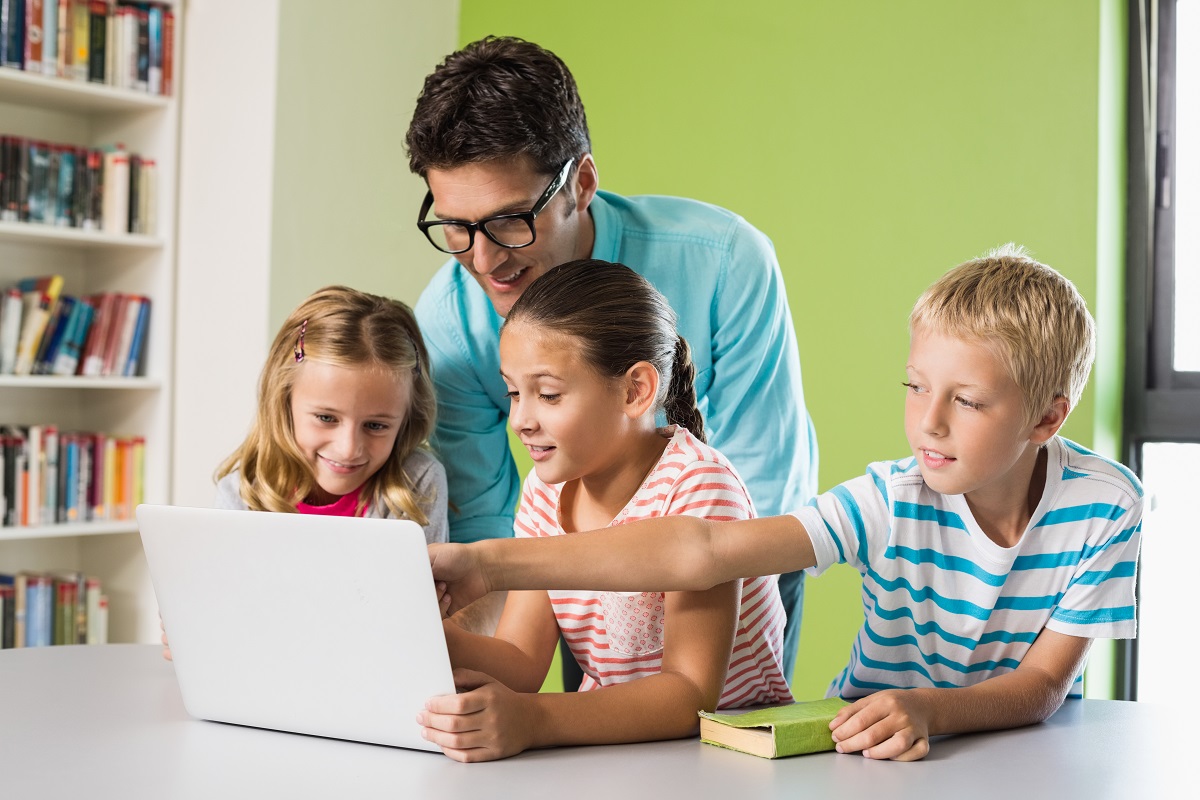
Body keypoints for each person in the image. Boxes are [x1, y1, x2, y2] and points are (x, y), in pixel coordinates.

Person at [428, 245, 1144, 762]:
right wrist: (482, 569)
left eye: (968, 400)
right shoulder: (888, 497)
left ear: (1048, 419)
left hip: (1006, 754)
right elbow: (700, 550)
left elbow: (1044, 686)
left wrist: (933, 708)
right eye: (915, 387)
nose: (928, 422)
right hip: (860, 744)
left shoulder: (1107, 508)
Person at [407, 35, 817, 686]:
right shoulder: (449, 322)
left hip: (734, 570)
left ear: (583, 183)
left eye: (512, 221)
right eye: (455, 228)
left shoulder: (727, 264)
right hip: (563, 574)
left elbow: (759, 510)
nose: (484, 261)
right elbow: (492, 539)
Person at [417, 260, 792, 762]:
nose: (520, 420)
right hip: (611, 754)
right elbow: (521, 661)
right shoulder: (544, 492)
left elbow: (688, 695)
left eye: (548, 394)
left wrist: (534, 718)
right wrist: (413, 628)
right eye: (513, 392)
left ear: (635, 390)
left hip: (726, 757)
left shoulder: (700, 485)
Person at [162, 285, 449, 660]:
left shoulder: (417, 483)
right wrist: (196, 632)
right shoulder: (245, 489)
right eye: (326, 418)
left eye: (376, 426)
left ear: (406, 419)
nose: (348, 448)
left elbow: (417, 630)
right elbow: (227, 613)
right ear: (284, 401)